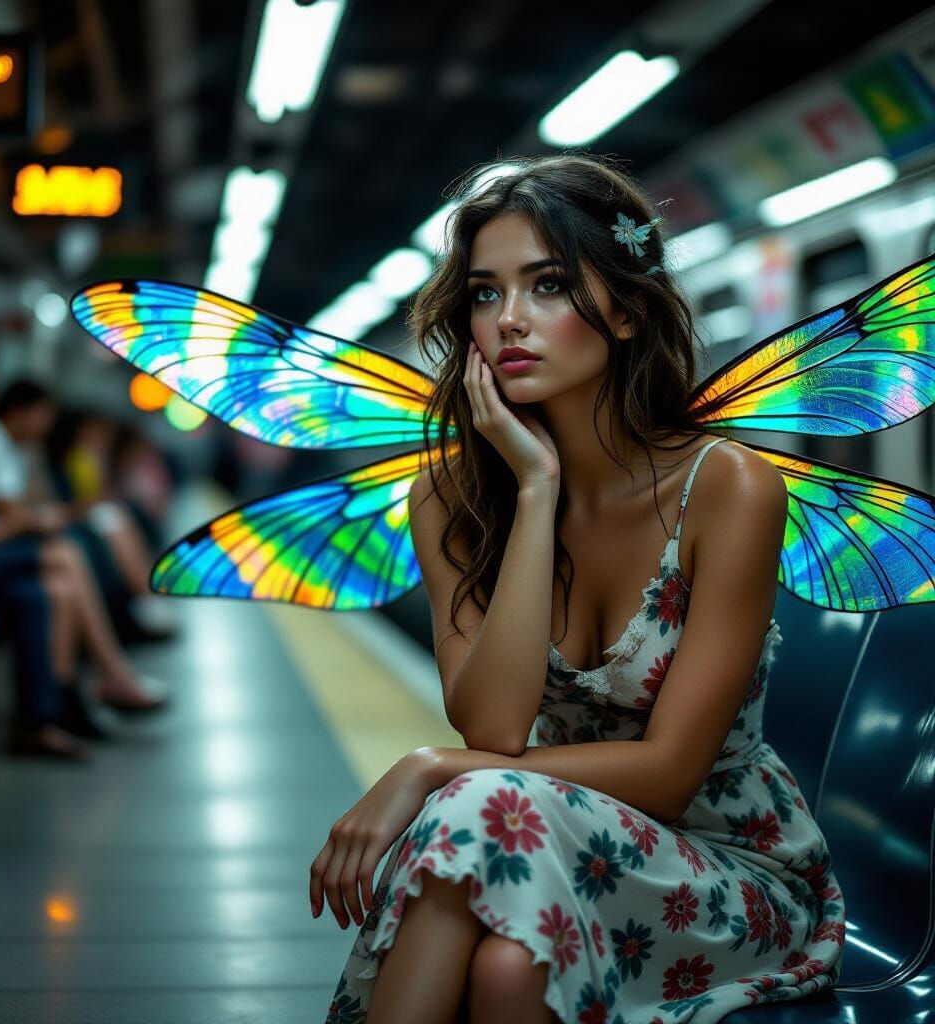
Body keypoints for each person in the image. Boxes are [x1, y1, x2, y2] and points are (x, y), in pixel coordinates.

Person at [313, 154, 844, 1023]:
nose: (509, 321)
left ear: (629, 311)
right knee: (506, 972)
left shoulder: (728, 487)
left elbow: (670, 776)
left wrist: (429, 768)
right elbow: (494, 723)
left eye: (548, 285)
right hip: (540, 847)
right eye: (485, 294)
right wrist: (534, 493)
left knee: (479, 800)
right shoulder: (447, 496)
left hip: (727, 872)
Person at [0, 371, 168, 760]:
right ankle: (109, 673)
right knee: (63, 555)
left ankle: (41, 721)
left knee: (43, 592)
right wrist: (8, 529)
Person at [0, 378, 176, 642]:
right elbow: (10, 509)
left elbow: (34, 498)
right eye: (42, 413)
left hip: (8, 530)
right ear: (19, 411)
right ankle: (125, 621)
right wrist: (59, 512)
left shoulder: (21, 446)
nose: (48, 422)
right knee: (77, 549)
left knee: (94, 537)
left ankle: (134, 611)